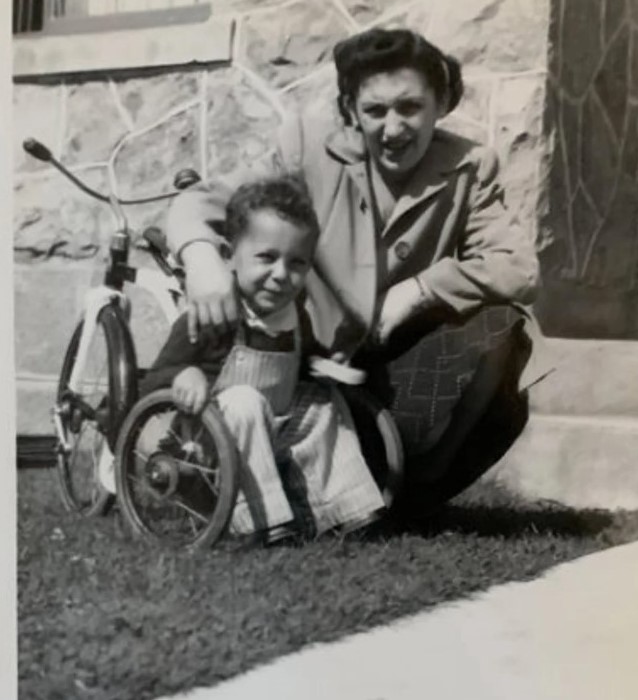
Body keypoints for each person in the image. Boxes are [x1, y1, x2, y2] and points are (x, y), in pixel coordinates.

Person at [166, 28, 542, 517]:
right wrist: (200, 259)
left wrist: (423, 288)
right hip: (303, 365)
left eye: (410, 107)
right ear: (350, 110)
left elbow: (518, 267)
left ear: (440, 103)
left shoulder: (470, 167)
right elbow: (205, 202)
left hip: (394, 361)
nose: (393, 128)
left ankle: (414, 496)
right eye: (375, 111)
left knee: (504, 333)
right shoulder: (308, 147)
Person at [142, 174, 386, 544]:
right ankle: (258, 520)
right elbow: (156, 380)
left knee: (323, 404)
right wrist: (186, 373)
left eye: (297, 263)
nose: (281, 276)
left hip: (270, 433)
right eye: (267, 258)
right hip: (206, 446)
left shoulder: (293, 313)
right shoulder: (212, 316)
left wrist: (319, 366)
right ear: (229, 257)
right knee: (244, 402)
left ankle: (343, 507)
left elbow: (295, 362)